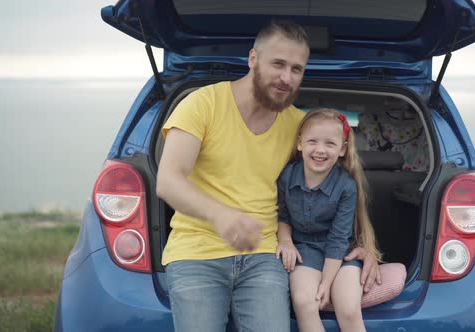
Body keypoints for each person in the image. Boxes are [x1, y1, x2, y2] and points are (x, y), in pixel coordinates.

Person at [156, 21, 381, 332]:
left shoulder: (301, 128)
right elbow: (168, 180)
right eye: (278, 64)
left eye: (297, 69)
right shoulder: (202, 104)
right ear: (252, 59)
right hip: (197, 253)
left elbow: (339, 182)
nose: (286, 78)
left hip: (264, 256)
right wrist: (221, 216)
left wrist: (366, 247)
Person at [276, 108, 382, 332]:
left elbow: (338, 238)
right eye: (312, 141)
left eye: (330, 144)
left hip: (341, 253)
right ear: (300, 143)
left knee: (349, 309)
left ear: (342, 149)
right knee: (305, 302)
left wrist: (326, 282)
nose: (320, 150)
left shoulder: (346, 186)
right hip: (305, 250)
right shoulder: (287, 176)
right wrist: (285, 241)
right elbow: (282, 216)